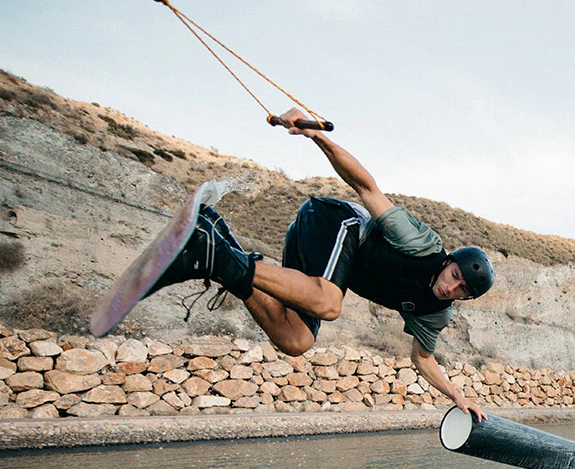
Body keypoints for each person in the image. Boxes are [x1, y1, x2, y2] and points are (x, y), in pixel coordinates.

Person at [147, 108, 495, 420]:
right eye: (454, 276)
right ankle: (215, 254)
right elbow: (366, 187)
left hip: (325, 259)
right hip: (334, 222)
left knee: (296, 340)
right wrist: (317, 137)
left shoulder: (435, 314)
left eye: (461, 291)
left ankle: (220, 244)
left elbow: (422, 359)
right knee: (329, 304)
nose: (451, 287)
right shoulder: (421, 245)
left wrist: (458, 397)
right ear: (448, 261)